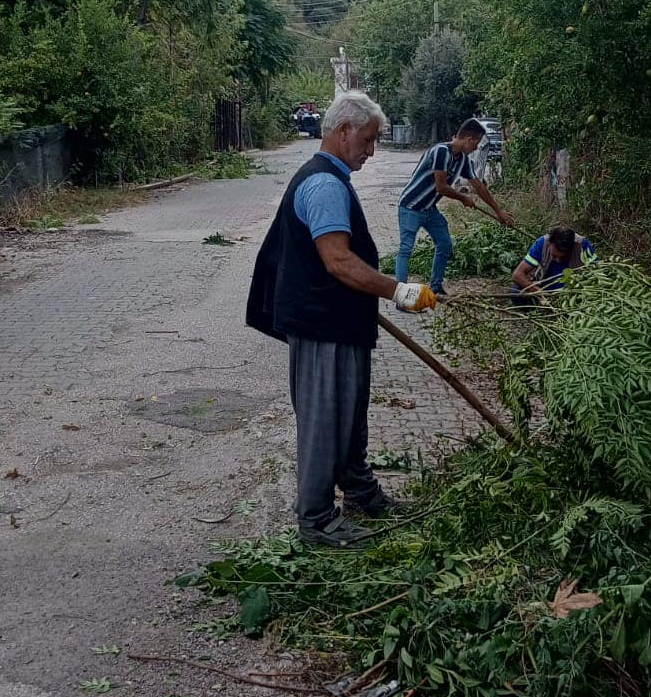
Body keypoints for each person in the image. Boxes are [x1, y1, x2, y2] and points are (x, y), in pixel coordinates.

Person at [246, 90, 437, 548]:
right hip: (322, 324)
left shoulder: (332, 178)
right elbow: (338, 261)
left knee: (349, 416)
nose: (371, 151)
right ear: (343, 130)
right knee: (324, 421)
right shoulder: (325, 185)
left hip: (339, 321)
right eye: (368, 140)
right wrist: (400, 290)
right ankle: (316, 520)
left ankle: (360, 492)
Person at [395, 118, 514, 299]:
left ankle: (435, 287)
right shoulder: (441, 151)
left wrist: (499, 211)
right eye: (476, 144)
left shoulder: (463, 160)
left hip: (429, 209)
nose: (475, 149)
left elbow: (479, 186)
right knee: (406, 250)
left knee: (444, 244)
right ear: (469, 139)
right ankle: (400, 295)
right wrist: (463, 198)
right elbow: (441, 187)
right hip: (411, 207)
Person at [511, 225, 596, 297]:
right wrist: (539, 292)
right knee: (516, 291)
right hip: (544, 289)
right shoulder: (542, 243)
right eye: (554, 256)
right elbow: (517, 274)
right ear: (550, 243)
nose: (558, 260)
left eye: (563, 257)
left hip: (572, 292)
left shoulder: (582, 245)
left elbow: (597, 272)